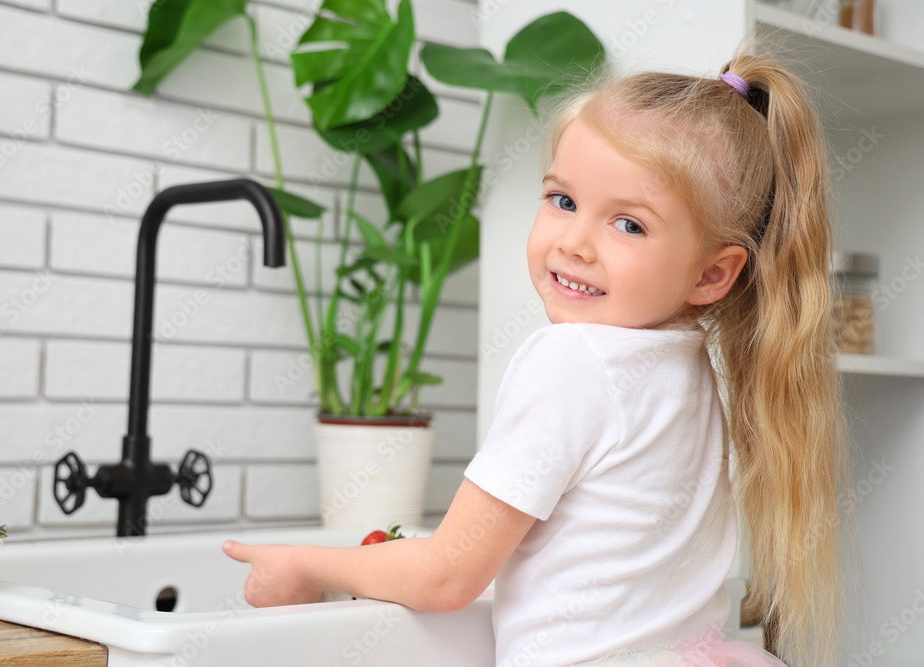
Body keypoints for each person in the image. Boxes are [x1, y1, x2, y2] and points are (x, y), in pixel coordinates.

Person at [223, 45, 858, 667]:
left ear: (713, 275)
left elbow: (448, 576)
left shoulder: (574, 359)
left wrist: (302, 562)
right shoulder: (687, 371)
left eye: (629, 224)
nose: (575, 242)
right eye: (563, 200)